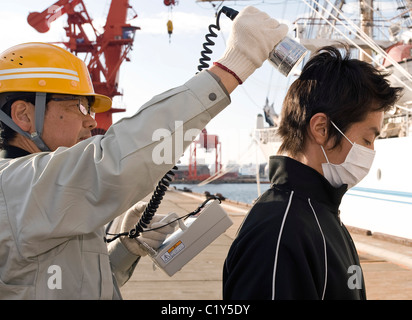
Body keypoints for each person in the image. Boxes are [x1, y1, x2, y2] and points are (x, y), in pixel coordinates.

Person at [0, 6, 288, 299]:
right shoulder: (13, 187)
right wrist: (231, 67)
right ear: (23, 115)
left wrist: (126, 249)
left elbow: (71, 286)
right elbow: (114, 162)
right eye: (79, 106)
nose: (90, 120)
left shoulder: (43, 201)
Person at [223, 45, 403, 300]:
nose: (372, 151)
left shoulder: (322, 214)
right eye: (366, 139)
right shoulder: (278, 233)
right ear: (321, 129)